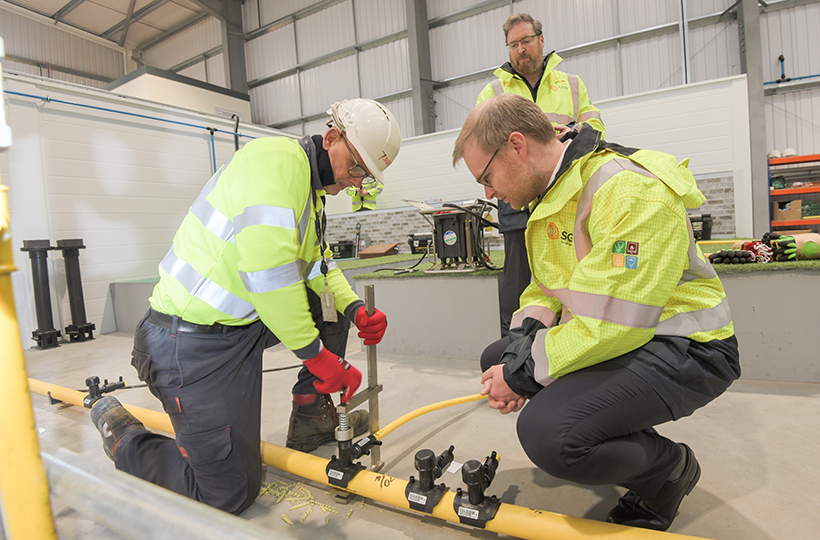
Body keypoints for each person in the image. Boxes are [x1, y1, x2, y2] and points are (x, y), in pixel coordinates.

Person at [90, 98, 401, 515]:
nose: (358, 183)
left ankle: (310, 417)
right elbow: (270, 277)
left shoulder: (310, 192)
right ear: (331, 138)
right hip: (185, 345)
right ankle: (121, 434)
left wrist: (352, 309)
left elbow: (317, 270)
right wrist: (317, 357)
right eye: (358, 168)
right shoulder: (275, 163)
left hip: (235, 332)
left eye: (368, 178)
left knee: (321, 305)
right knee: (228, 492)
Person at [453, 94, 740, 532]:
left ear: (516, 145)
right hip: (629, 333)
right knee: (498, 360)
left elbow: (615, 321)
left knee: (549, 435)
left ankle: (668, 471)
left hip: (687, 347)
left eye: (486, 177)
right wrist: (516, 358)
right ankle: (591, 418)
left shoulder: (627, 190)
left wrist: (525, 375)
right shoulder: (555, 192)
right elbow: (545, 289)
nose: (489, 193)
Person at [477, 13, 605, 338]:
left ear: (541, 40)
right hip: (517, 201)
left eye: (526, 41)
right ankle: (513, 352)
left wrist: (573, 133)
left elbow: (596, 130)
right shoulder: (493, 91)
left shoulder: (571, 85)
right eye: (514, 44)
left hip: (566, 197)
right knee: (518, 283)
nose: (521, 49)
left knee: (571, 275)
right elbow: (482, 143)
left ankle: (567, 346)